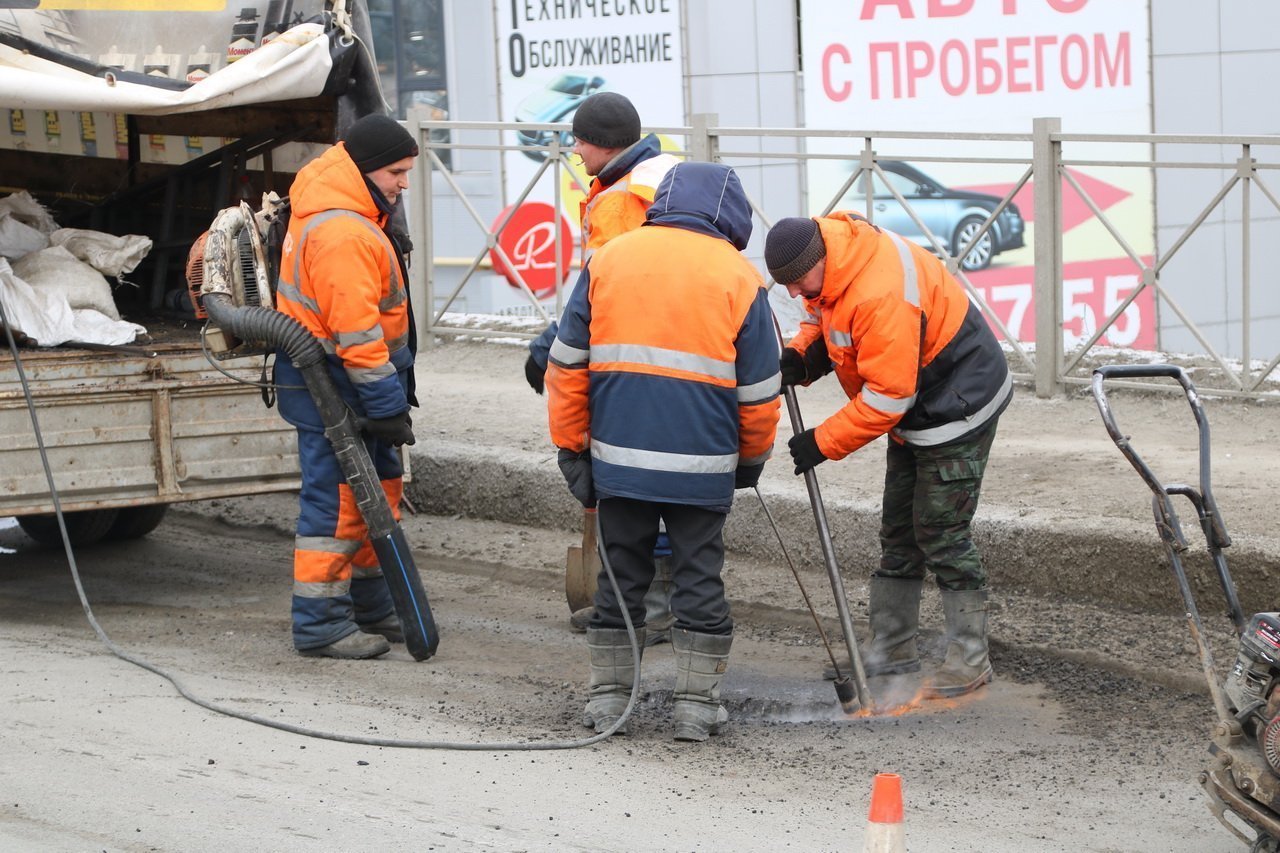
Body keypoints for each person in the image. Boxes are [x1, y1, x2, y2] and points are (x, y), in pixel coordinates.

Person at [545, 162, 781, 741]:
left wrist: (572, 446)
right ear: (728, 218)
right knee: (699, 577)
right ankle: (696, 708)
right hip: (702, 468)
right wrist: (751, 459)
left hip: (618, 460)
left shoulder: (611, 257)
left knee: (619, 575)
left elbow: (567, 364)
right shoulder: (738, 276)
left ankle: (607, 701)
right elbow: (758, 393)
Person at [764, 212, 1012, 698]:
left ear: (816, 261)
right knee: (899, 530)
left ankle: (970, 656)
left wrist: (821, 442)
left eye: (796, 282)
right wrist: (801, 356)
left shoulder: (879, 291)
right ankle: (892, 650)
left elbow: (887, 397)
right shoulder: (832, 269)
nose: (794, 294)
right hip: (915, 408)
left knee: (940, 530)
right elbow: (827, 321)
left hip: (957, 401)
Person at [522, 91, 681, 641]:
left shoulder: (618, 200)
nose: (575, 151)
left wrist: (551, 346)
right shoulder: (662, 173)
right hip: (680, 351)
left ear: (601, 143)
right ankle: (649, 603)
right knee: (660, 482)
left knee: (633, 485)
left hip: (634, 358)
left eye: (579, 141)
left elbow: (603, 289)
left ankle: (647, 610)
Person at [272, 113, 420, 659]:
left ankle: (373, 605)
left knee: (378, 494)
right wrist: (386, 406)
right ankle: (321, 623)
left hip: (352, 384)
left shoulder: (353, 216)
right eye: (395, 172)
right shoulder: (342, 232)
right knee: (337, 505)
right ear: (362, 170)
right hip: (337, 386)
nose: (403, 183)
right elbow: (357, 335)